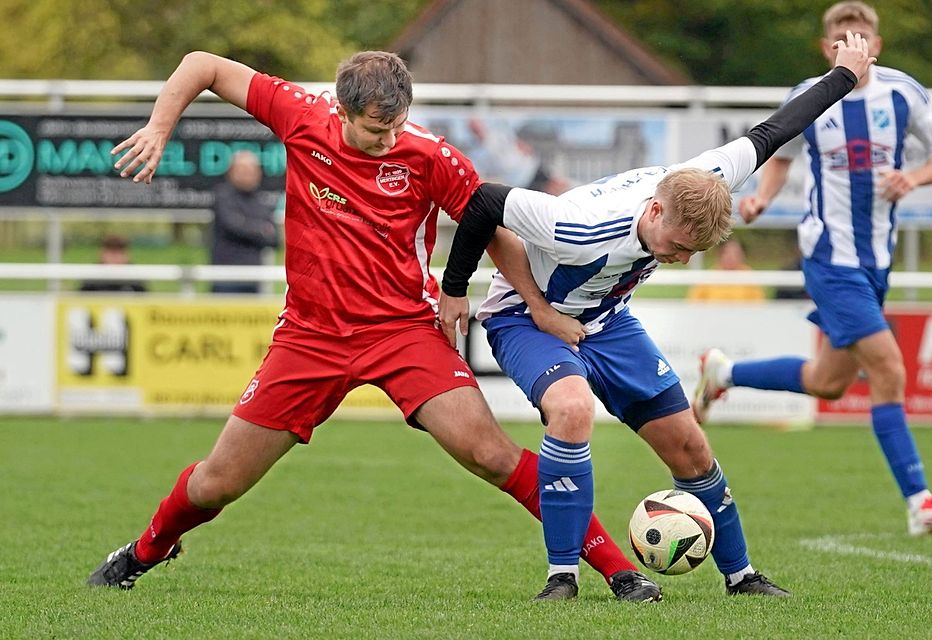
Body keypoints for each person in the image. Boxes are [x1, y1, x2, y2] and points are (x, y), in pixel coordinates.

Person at [86, 50, 662, 603]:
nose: (389, 141)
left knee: (489, 454)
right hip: (309, 337)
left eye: (397, 127)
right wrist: (160, 127)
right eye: (374, 130)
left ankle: (618, 572)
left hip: (404, 332)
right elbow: (203, 65)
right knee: (218, 483)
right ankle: (145, 550)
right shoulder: (299, 114)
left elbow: (491, 228)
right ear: (340, 111)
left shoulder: (430, 156)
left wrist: (535, 304)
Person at [438, 31, 875, 599]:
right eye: (676, 244)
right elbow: (483, 202)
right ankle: (562, 578)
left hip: (609, 320)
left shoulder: (704, 182)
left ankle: (742, 577)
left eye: (694, 252)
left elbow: (776, 130)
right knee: (571, 409)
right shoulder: (577, 226)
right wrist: (458, 292)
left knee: (690, 446)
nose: (681, 259)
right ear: (652, 209)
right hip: (523, 314)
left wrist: (843, 75)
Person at [693, 1, 932, 537]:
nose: (852, 47)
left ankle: (723, 373)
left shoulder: (904, 93)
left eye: (861, 38)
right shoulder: (809, 96)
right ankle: (919, 502)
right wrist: (763, 197)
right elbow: (783, 153)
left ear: (876, 46)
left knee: (829, 382)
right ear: (827, 48)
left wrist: (915, 179)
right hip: (829, 257)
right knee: (889, 369)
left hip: (876, 260)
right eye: (842, 40)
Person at [209, 150, 279, 294]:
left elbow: (275, 239)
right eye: (243, 170)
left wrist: (248, 226)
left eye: (252, 170)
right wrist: (261, 230)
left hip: (254, 279)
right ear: (231, 172)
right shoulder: (223, 196)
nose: (248, 174)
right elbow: (233, 226)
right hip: (225, 279)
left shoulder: (263, 201)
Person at [686, 237, 766, 302]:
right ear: (719, 254)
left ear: (743, 256)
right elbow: (694, 303)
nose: (731, 258)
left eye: (736, 254)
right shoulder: (707, 278)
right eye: (727, 253)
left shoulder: (750, 278)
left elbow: (759, 304)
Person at [78, 234, 147, 293]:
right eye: (111, 252)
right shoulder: (92, 277)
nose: (114, 257)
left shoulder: (135, 278)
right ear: (101, 254)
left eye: (119, 253)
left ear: (127, 255)